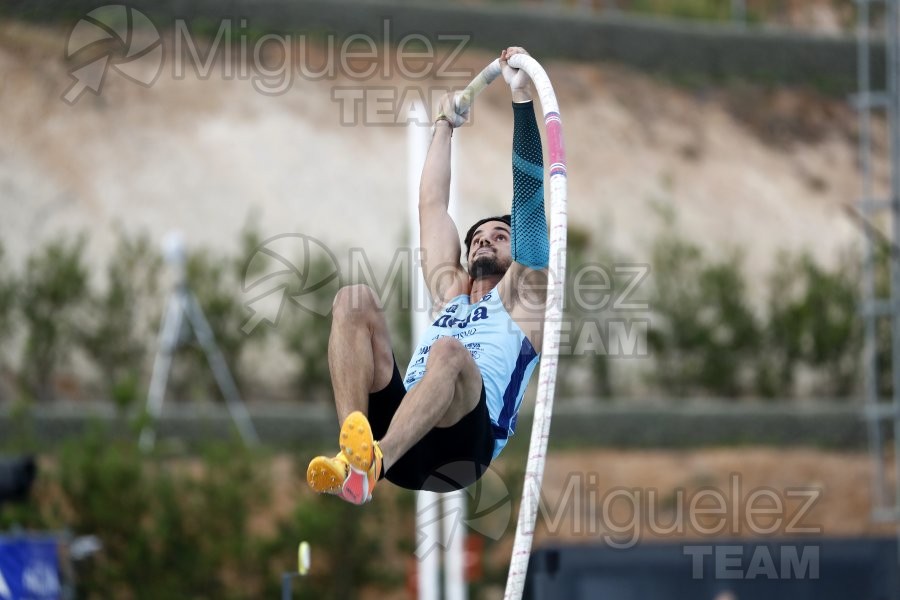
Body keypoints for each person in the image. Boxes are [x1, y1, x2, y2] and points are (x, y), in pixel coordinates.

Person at [306, 46, 549, 505]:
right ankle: (351, 456)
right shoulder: (451, 291)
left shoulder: (525, 297)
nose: (484, 240)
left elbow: (531, 197)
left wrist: (520, 102)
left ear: (518, 253)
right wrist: (444, 126)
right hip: (406, 426)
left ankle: (373, 462)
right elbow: (432, 206)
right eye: (478, 236)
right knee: (353, 300)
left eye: (500, 236)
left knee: (450, 352)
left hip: (461, 450)